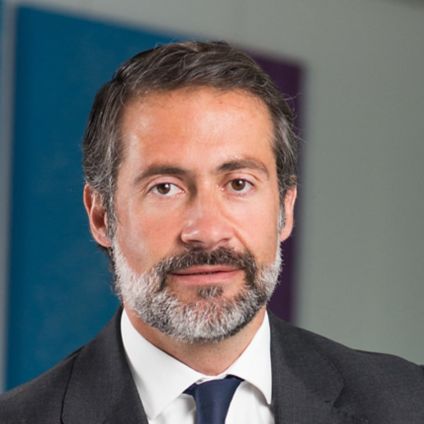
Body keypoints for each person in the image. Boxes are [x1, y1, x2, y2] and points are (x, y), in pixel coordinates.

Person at [0, 41, 423, 424]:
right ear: (101, 216)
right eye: (165, 188)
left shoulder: (409, 403)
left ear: (285, 209)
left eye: (239, 183)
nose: (207, 232)